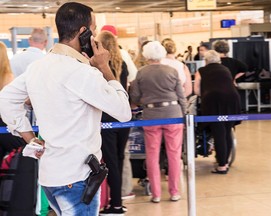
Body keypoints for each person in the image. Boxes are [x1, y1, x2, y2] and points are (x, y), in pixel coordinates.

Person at [0, 2, 131, 216]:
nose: (96, 34)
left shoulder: (39, 67)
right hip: (77, 178)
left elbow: (5, 99)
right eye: (94, 28)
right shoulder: (81, 72)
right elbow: (124, 113)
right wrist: (105, 68)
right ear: (83, 31)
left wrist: (29, 137)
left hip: (50, 175)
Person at [129, 41, 186, 203]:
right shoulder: (172, 70)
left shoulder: (141, 73)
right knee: (174, 155)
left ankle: (156, 194)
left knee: (152, 155)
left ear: (146, 55)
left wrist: (146, 101)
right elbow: (181, 95)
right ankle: (174, 192)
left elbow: (135, 97)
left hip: (151, 115)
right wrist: (184, 114)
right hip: (173, 114)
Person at [96, 30, 130, 215]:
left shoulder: (98, 67)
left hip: (107, 119)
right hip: (123, 119)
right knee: (119, 159)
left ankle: (114, 204)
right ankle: (117, 202)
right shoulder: (122, 65)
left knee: (110, 163)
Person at [194, 50, 241, 174]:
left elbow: (196, 91)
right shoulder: (226, 69)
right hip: (232, 100)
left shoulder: (201, 71)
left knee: (218, 132)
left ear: (206, 60)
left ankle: (222, 166)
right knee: (227, 130)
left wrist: (204, 93)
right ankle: (224, 160)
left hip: (213, 101)